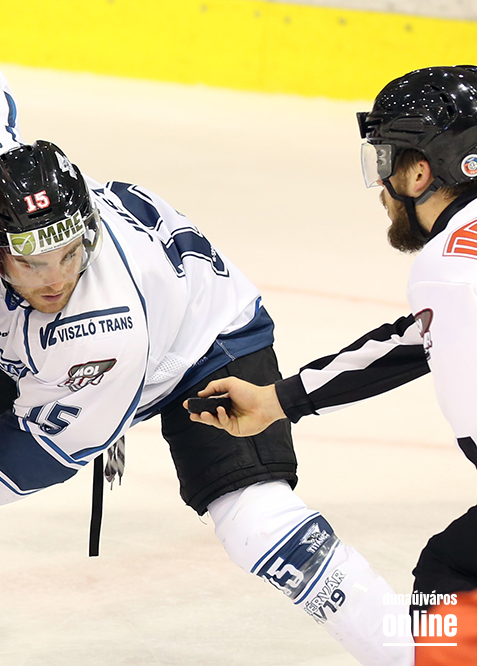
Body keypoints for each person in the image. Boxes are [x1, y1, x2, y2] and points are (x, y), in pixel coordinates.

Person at [0, 32, 412, 666]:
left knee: (255, 522)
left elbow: (44, 452)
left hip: (203, 339)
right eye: (32, 262)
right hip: (68, 357)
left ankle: (411, 640)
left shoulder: (100, 323)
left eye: (71, 254)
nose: (56, 280)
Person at [185, 65, 477, 665]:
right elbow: (413, 342)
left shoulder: (449, 264)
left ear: (421, 172)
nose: (381, 186)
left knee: (449, 587)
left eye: (386, 162)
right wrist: (277, 400)